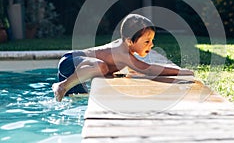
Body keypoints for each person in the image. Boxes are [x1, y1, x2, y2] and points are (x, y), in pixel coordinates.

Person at [52, 14, 194, 102]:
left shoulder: (125, 49)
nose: (151, 45)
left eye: (152, 40)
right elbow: (148, 69)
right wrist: (179, 71)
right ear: (129, 41)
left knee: (77, 99)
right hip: (70, 61)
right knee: (101, 66)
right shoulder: (122, 53)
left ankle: (65, 87)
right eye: (146, 41)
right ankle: (62, 85)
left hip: (78, 68)